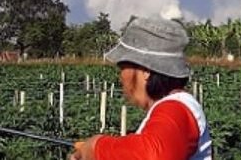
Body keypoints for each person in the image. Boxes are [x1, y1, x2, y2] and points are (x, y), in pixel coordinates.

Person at [70, 16, 212, 160]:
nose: (121, 76)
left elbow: (153, 155)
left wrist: (97, 148)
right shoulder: (174, 107)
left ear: (146, 71)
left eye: (123, 67)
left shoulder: (175, 107)